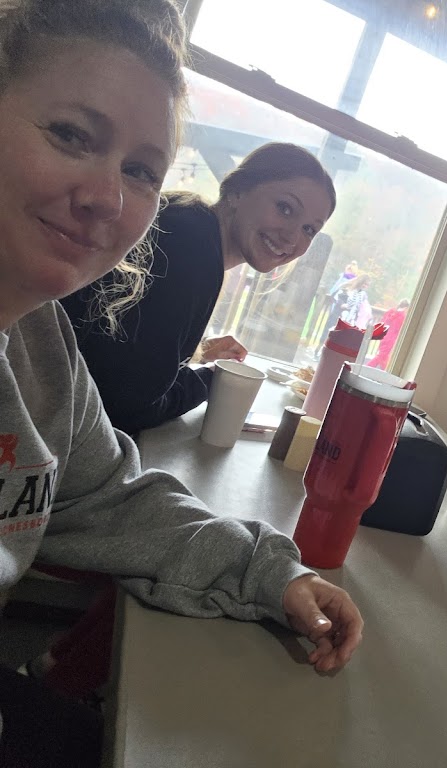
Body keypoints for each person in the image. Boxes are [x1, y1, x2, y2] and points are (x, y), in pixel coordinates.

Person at [0, 1, 362, 764]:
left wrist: (269, 573)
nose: (107, 196)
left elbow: (106, 495)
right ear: (238, 189)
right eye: (71, 135)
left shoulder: (42, 343)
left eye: (140, 171)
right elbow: (141, 395)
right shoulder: (195, 241)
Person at [60, 142, 337, 434]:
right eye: (285, 208)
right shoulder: (192, 246)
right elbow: (133, 406)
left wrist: (199, 352)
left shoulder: (188, 219)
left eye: (309, 229)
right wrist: (213, 379)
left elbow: (128, 348)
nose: (292, 237)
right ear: (238, 191)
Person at [366, 298, 410, 370]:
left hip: (384, 335)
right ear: (406, 307)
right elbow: (399, 329)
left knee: (384, 357)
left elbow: (383, 321)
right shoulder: (402, 316)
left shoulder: (390, 312)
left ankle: (385, 370)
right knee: (382, 355)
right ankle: (368, 367)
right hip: (392, 338)